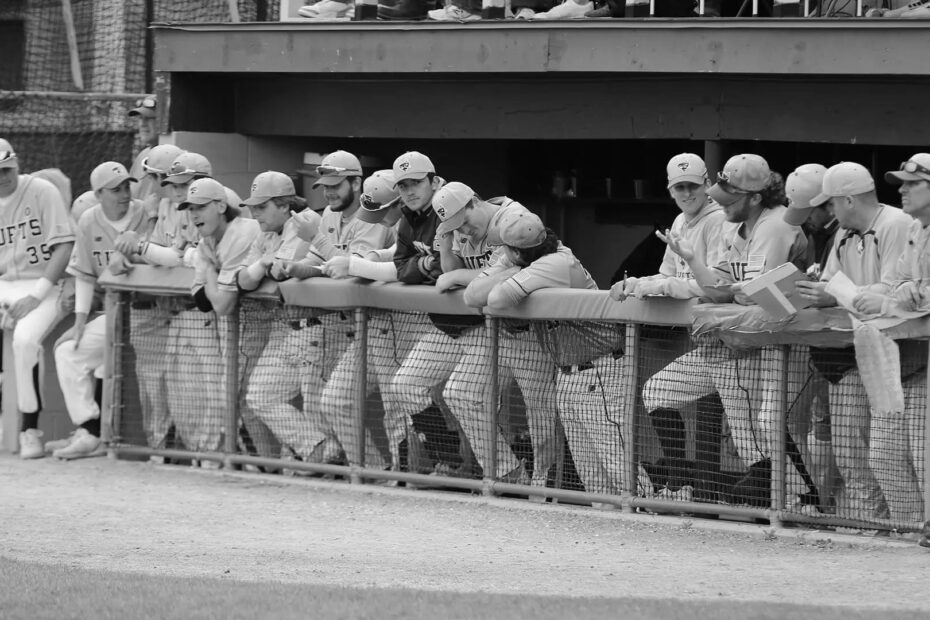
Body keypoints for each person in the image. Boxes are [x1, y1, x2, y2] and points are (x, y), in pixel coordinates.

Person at [651, 153, 812, 507]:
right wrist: (692, 260)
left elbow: (755, 294)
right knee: (761, 425)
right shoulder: (738, 229)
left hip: (793, 341)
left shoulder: (774, 225)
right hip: (757, 340)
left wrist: (728, 292)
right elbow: (717, 289)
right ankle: (788, 500)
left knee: (776, 424)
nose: (721, 204)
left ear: (755, 197)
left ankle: (806, 498)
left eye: (730, 198)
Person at [794, 161, 913, 522]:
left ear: (848, 200)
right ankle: (874, 526)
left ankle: (906, 527)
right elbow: (831, 282)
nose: (830, 210)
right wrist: (815, 291)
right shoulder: (844, 235)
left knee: (891, 454)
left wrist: (832, 294)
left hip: (899, 356)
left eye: (832, 202)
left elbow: (893, 289)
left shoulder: (896, 224)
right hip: (854, 352)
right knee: (849, 453)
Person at [607, 153, 728, 498]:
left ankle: (797, 499)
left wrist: (657, 286)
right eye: (679, 187)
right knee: (658, 392)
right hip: (707, 345)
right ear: (670, 189)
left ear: (707, 184)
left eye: (693, 186)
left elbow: (712, 285)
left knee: (755, 430)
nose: (687, 193)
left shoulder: (719, 220)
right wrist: (636, 283)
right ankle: (680, 482)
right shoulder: (678, 221)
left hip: (735, 341)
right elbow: (667, 275)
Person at [463, 209, 599, 493]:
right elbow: (472, 295)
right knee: (589, 461)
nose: (503, 253)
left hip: (602, 362)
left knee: (609, 451)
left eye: (507, 249)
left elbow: (496, 299)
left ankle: (643, 504)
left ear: (518, 251)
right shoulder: (523, 258)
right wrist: (513, 269)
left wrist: (514, 272)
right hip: (571, 364)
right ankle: (591, 506)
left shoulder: (555, 261)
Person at [420, 181, 535, 482]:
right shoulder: (458, 229)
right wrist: (446, 243)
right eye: (455, 226)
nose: (464, 230)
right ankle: (511, 476)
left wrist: (458, 275)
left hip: (534, 332)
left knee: (543, 414)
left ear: (473, 201)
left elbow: (503, 274)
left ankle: (550, 487)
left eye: (464, 221)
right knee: (459, 392)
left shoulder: (511, 218)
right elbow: (450, 273)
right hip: (496, 329)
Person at [237, 168, 350, 464]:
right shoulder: (266, 232)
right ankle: (322, 453)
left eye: (262, 207)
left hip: (320, 327)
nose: (255, 214)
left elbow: (280, 273)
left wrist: (265, 266)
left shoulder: (306, 222)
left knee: (319, 409)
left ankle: (358, 468)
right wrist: (262, 264)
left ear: (285, 205)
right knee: (260, 395)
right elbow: (243, 281)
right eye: (253, 207)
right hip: (286, 328)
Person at [51, 162, 149, 459]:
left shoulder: (146, 213)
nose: (124, 194)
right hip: (112, 312)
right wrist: (80, 322)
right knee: (68, 351)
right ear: (98, 194)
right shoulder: (88, 220)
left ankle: (117, 439)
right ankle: (90, 431)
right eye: (116, 189)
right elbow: (84, 275)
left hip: (149, 310)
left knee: (109, 365)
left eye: (127, 187)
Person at [179, 177, 275, 461]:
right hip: (240, 324)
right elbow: (201, 300)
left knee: (244, 395)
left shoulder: (241, 234)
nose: (194, 214)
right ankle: (269, 464)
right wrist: (211, 276)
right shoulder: (207, 240)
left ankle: (275, 463)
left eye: (201, 207)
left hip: (266, 319)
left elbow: (221, 304)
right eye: (190, 208)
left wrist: (209, 270)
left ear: (221, 206)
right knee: (242, 397)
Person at [0, 139, 76, 459]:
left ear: (17, 164)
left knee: (25, 339)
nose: (3, 177)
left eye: (7, 169)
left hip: (45, 284)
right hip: (5, 284)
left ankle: (29, 428)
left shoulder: (42, 190)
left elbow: (64, 246)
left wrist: (36, 295)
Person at [783, 163, 842, 510]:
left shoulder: (842, 235)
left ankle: (842, 512)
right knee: (820, 429)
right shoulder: (818, 235)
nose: (805, 220)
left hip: (848, 355)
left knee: (850, 443)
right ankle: (823, 506)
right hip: (821, 352)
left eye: (808, 212)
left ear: (826, 204)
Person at [128, 96, 159, 200]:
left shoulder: (172, 156)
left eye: (149, 118)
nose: (142, 124)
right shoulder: (142, 155)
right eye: (140, 118)